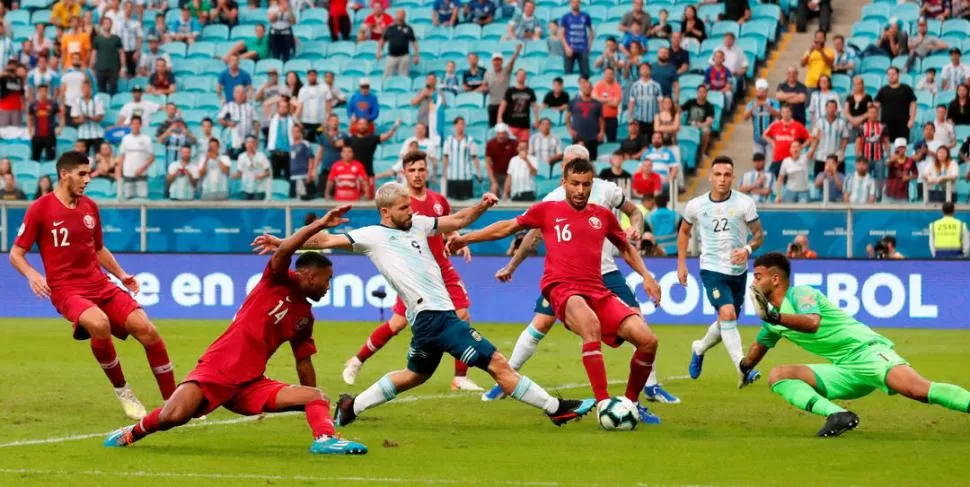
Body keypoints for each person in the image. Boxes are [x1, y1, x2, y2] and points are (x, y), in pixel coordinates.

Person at [254, 186, 596, 428]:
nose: (412, 212)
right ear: (386, 212)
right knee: (496, 362)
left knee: (415, 375)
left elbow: (456, 222)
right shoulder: (372, 235)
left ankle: (351, 406)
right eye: (404, 208)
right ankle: (555, 409)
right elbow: (324, 241)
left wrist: (482, 206)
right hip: (436, 316)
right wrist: (283, 244)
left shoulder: (417, 223)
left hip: (427, 320)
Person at [105, 207, 367, 454]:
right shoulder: (276, 279)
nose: (329, 286)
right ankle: (132, 433)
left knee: (317, 396)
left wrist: (313, 405)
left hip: (251, 384)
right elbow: (286, 249)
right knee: (173, 416)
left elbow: (303, 361)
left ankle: (325, 439)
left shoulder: (304, 317)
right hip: (217, 368)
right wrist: (321, 224)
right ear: (309, 276)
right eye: (327, 279)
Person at [454, 157, 666, 420]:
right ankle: (603, 405)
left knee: (648, 341)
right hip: (561, 288)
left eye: (585, 185)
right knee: (589, 325)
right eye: (575, 184)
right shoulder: (547, 210)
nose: (580, 190)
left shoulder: (602, 216)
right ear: (564, 182)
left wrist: (646, 275)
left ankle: (629, 405)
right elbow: (507, 228)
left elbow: (625, 247)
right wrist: (465, 238)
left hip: (597, 289)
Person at [9, 151, 176, 420]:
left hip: (100, 284)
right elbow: (16, 252)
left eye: (89, 174)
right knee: (99, 324)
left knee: (148, 330)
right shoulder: (40, 208)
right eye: (82, 174)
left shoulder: (90, 207)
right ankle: (124, 391)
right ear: (64, 174)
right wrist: (32, 275)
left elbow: (98, 248)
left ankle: (173, 401)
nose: (87, 180)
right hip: (66, 289)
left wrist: (122, 275)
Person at [740, 252, 970, 437]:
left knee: (919, 390)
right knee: (779, 375)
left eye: (758, 276)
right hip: (844, 369)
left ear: (776, 279)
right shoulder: (773, 320)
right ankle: (838, 415)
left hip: (867, 352)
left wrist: (774, 318)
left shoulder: (800, 293)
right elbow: (759, 347)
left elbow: (812, 323)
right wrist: (744, 367)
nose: (754, 282)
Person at [340, 151, 482, 391]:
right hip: (413, 276)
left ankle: (459, 377)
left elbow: (447, 227)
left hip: (442, 269)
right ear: (404, 173)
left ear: (427, 172)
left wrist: (457, 240)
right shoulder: (400, 204)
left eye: (421, 169)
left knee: (462, 315)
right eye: (412, 170)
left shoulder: (438, 200)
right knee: (396, 324)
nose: (417, 174)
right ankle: (357, 360)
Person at [678, 155, 764, 388]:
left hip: (738, 272)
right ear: (710, 177)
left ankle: (699, 347)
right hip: (712, 269)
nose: (722, 179)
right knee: (727, 314)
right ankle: (742, 368)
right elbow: (684, 232)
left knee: (727, 319)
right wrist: (682, 263)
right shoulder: (696, 205)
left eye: (727, 175)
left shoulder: (745, 203)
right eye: (718, 174)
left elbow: (759, 235)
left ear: (733, 177)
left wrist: (747, 249)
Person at [763, 103, 810, 178]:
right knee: (772, 179)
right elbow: (765, 134)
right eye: (783, 112)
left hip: (791, 160)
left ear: (791, 113)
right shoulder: (775, 125)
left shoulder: (798, 126)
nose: (785, 114)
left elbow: (808, 138)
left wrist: (801, 146)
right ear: (781, 113)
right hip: (777, 159)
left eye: (788, 112)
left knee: (789, 182)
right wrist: (772, 143)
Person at [442, 116, 482, 200]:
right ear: (454, 126)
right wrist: (444, 172)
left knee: (467, 202)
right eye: (458, 124)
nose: (460, 126)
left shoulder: (470, 140)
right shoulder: (449, 140)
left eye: (462, 124)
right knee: (452, 201)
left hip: (466, 177)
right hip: (452, 177)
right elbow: (446, 157)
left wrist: (479, 173)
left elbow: (475, 157)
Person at [565, 76, 605, 159]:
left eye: (589, 87)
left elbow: (601, 119)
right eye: (585, 87)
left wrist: (601, 132)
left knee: (591, 159)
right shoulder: (573, 102)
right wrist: (569, 129)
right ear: (581, 88)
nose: (587, 89)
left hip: (593, 136)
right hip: (578, 136)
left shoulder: (598, 103)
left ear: (591, 89)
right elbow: (567, 117)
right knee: (576, 159)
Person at [116, 115, 154, 200]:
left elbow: (152, 157)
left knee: (142, 199)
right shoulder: (125, 139)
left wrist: (142, 169)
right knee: (128, 198)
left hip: (142, 174)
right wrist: (119, 171)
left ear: (141, 125)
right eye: (133, 123)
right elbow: (121, 157)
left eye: (137, 123)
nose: (135, 126)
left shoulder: (146, 139)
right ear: (130, 125)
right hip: (128, 173)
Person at [483, 45, 522, 128]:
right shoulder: (487, 74)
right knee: (493, 128)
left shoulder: (506, 71)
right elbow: (485, 87)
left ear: (502, 61)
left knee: (506, 128)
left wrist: (517, 52)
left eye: (499, 60)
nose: (497, 62)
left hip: (505, 105)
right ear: (492, 61)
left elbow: (512, 61)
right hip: (493, 105)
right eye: (495, 60)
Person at [874, 67, 917, 142]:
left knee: (902, 147)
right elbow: (876, 107)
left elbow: (913, 104)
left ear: (898, 75)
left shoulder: (906, 89)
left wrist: (912, 119)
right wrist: (876, 122)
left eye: (893, 74)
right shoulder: (883, 90)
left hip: (902, 125)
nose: (891, 76)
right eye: (889, 74)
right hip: (885, 125)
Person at [497, 69, 539, 143]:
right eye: (519, 75)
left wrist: (536, 119)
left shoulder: (530, 91)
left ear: (525, 77)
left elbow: (534, 106)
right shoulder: (510, 90)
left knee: (524, 145)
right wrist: (499, 117)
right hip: (511, 124)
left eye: (523, 75)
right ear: (516, 77)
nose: (521, 77)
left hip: (524, 125)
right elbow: (503, 104)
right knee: (511, 145)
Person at [811, 99, 849, 174]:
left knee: (838, 182)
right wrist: (812, 151)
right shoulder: (819, 122)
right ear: (825, 108)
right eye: (829, 107)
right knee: (820, 181)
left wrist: (842, 151)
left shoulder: (841, 122)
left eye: (833, 107)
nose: (831, 109)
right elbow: (814, 138)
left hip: (836, 158)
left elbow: (845, 138)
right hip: (821, 157)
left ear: (836, 109)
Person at [744, 79, 780, 157]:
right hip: (757, 139)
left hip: (771, 139)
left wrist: (767, 106)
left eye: (763, 91)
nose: (761, 93)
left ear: (766, 91)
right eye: (759, 91)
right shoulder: (752, 103)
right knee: (758, 162)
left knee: (770, 163)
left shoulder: (773, 103)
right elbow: (745, 117)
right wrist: (754, 107)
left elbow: (779, 115)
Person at [378, 10, 419, 78]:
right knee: (387, 76)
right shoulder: (390, 28)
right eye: (398, 15)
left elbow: (414, 42)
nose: (399, 17)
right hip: (391, 56)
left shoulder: (408, 28)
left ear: (404, 16)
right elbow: (383, 40)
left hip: (404, 56)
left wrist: (416, 55)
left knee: (403, 76)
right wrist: (379, 51)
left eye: (401, 15)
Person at [27, 84, 63, 162]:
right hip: (37, 136)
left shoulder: (53, 104)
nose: (43, 93)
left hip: (50, 136)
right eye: (41, 91)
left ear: (48, 92)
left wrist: (60, 128)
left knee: (51, 159)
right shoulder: (33, 105)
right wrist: (30, 131)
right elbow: (29, 118)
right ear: (38, 92)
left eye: (45, 91)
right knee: (35, 159)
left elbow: (61, 116)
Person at [628, 63, 662, 142]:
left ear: (650, 71)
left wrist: (661, 116)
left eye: (646, 68)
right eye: (642, 68)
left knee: (652, 142)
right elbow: (631, 102)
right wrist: (630, 117)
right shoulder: (635, 86)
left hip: (653, 120)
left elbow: (660, 102)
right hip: (639, 120)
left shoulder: (656, 85)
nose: (644, 70)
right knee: (640, 143)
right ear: (639, 71)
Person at [560, 0, 593, 78]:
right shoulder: (566, 17)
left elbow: (591, 31)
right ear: (570, 3)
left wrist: (589, 45)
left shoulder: (585, 16)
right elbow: (561, 34)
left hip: (582, 49)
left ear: (580, 3)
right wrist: (566, 47)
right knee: (567, 75)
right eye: (573, 2)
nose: (575, 3)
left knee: (585, 75)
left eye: (577, 2)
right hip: (570, 49)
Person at [682, 85, 716, 157]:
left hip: (701, 125)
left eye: (703, 92)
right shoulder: (691, 102)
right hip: (689, 125)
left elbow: (709, 121)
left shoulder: (709, 106)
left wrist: (699, 125)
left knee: (706, 131)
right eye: (700, 92)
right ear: (697, 93)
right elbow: (679, 110)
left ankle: (702, 152)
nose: (701, 94)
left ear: (706, 94)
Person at [593, 67, 623, 142]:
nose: (608, 76)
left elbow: (615, 103)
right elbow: (594, 100)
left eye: (610, 74)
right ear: (603, 74)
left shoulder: (617, 87)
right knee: (598, 141)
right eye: (607, 74)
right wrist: (609, 99)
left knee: (611, 141)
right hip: (598, 119)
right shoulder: (598, 85)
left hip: (611, 120)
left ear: (613, 75)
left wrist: (600, 100)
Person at [235, 135, 270, 200]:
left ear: (256, 144)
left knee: (257, 209)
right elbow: (239, 172)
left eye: (252, 142)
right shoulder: (241, 156)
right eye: (248, 142)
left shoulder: (261, 155)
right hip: (245, 188)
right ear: (245, 144)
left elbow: (268, 172)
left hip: (259, 189)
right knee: (244, 209)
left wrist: (262, 175)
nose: (250, 144)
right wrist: (234, 175)